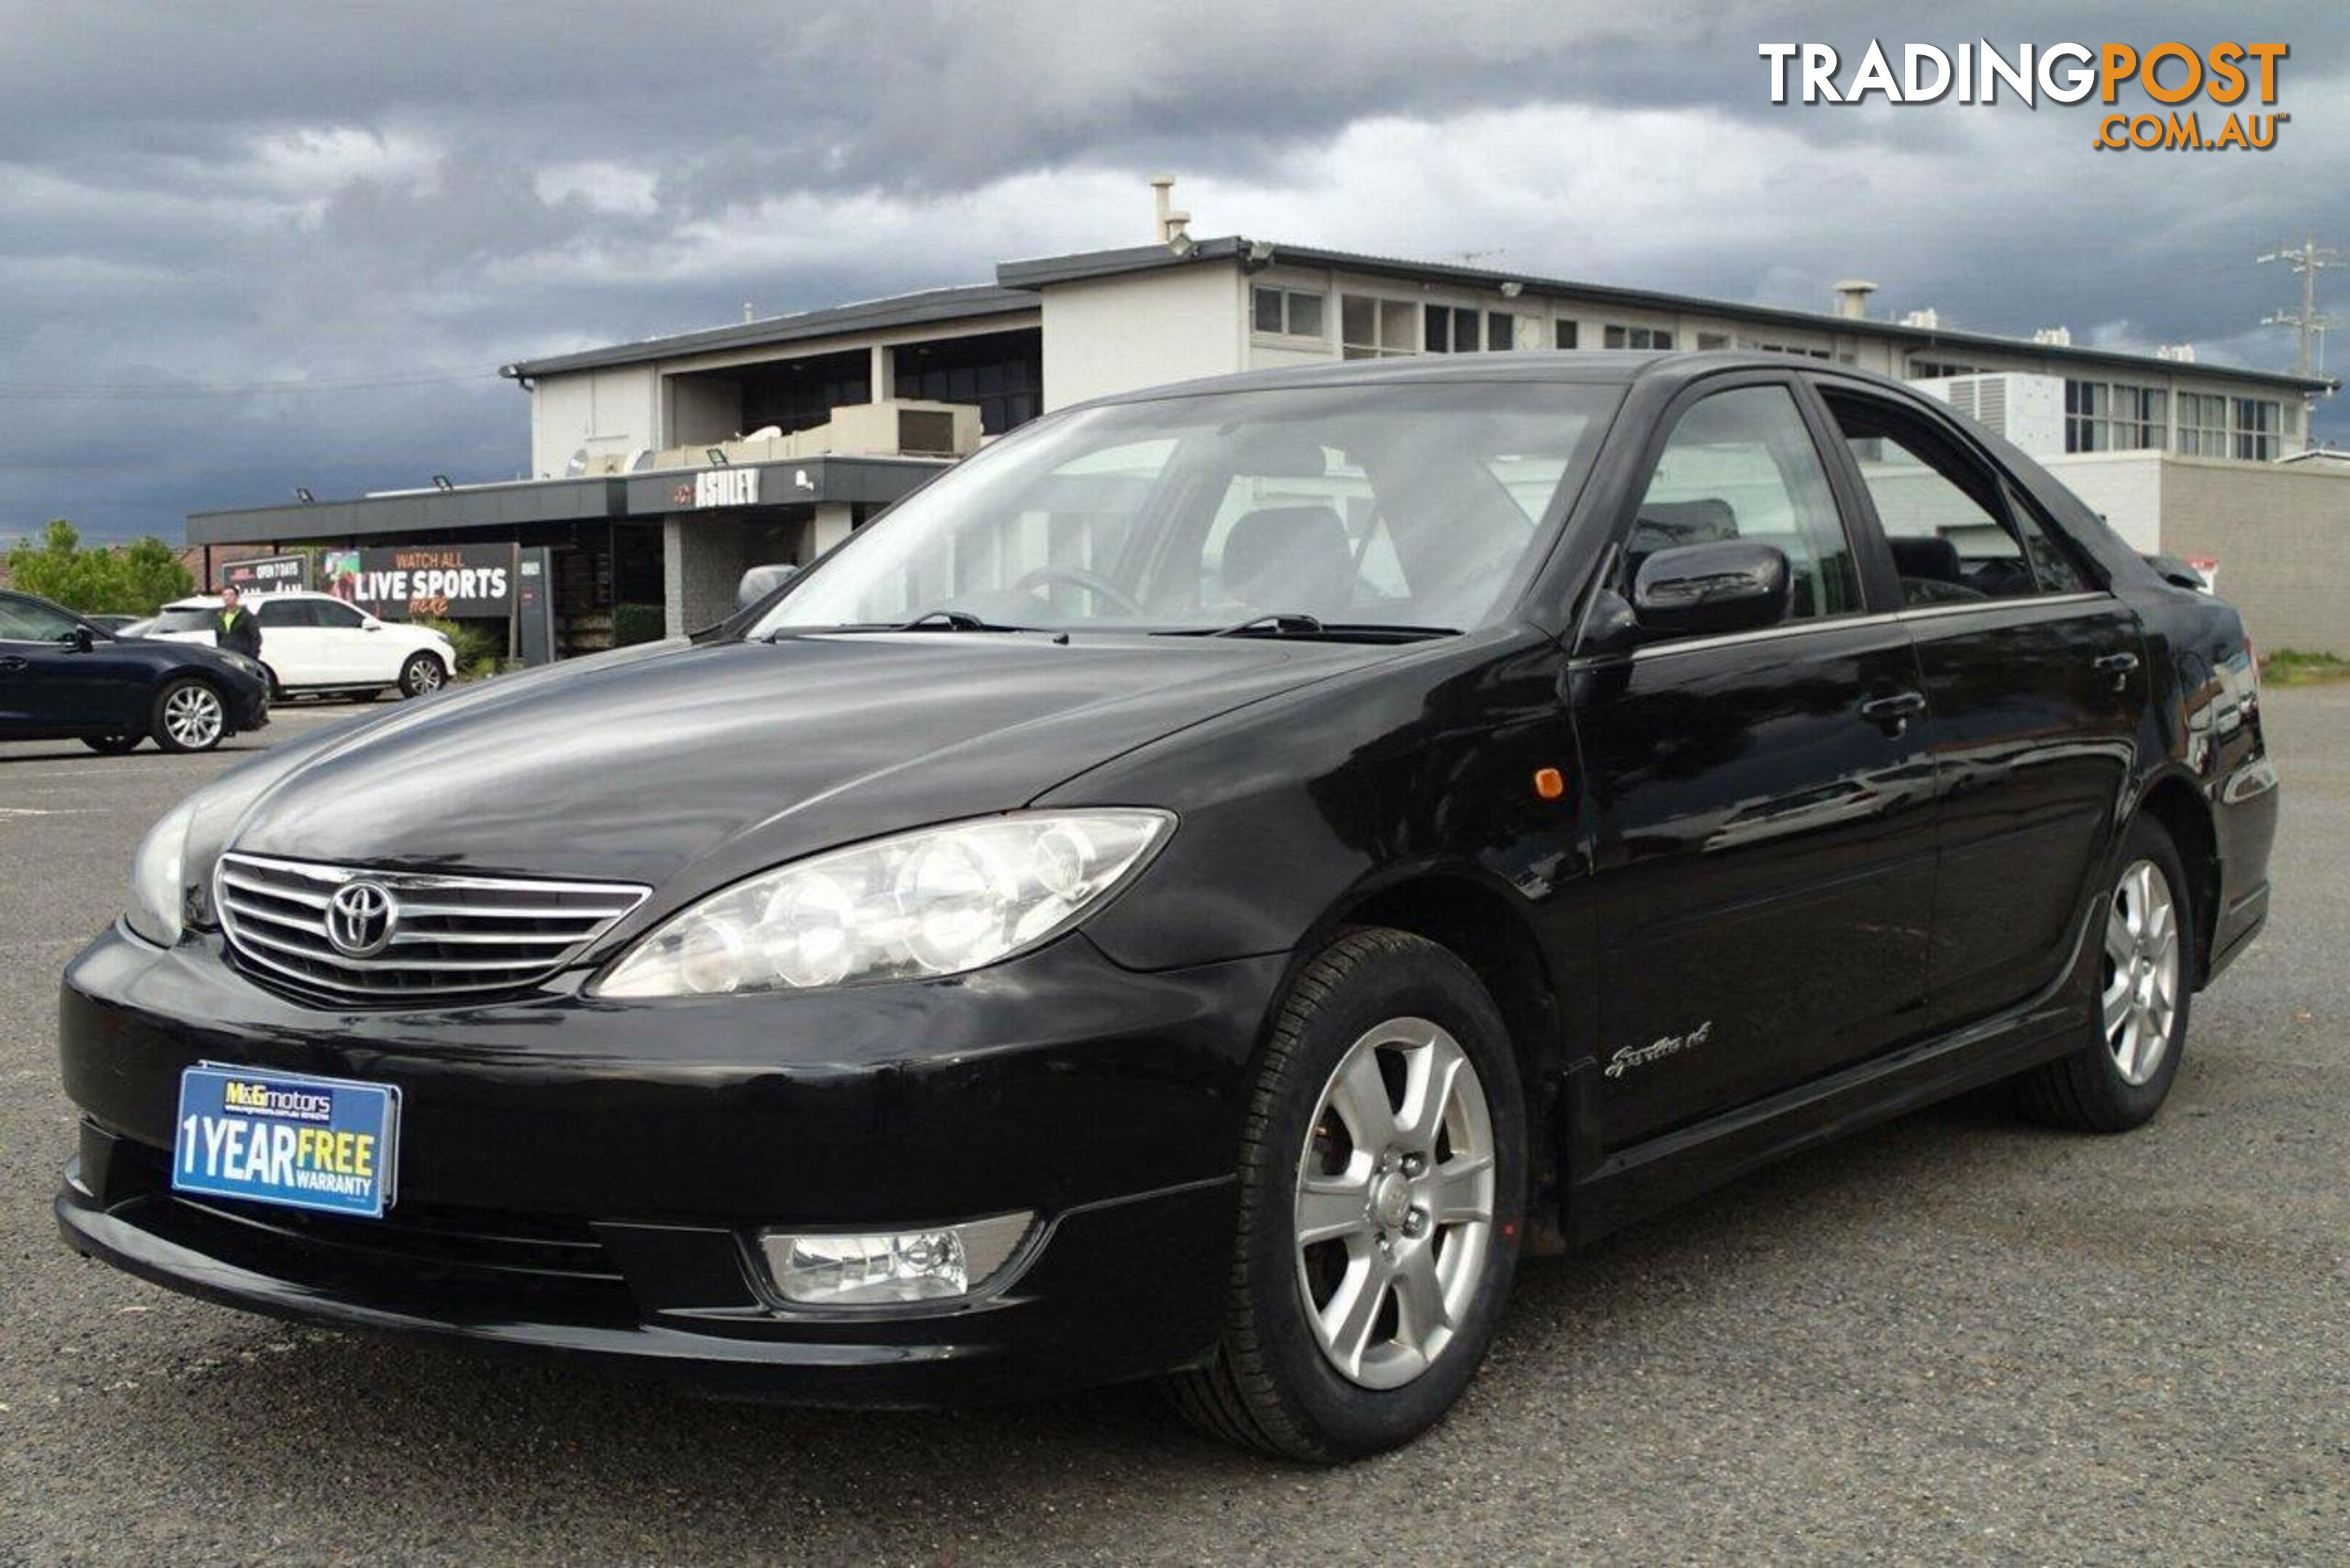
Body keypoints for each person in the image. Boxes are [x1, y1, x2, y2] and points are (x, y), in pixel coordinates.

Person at [215, 584, 263, 660]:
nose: (227, 598)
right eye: (224, 595)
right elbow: (219, 638)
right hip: (226, 657)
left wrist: (252, 657)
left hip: (243, 658)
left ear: (237, 597)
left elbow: (256, 638)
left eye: (231, 595)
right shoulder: (220, 616)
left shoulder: (246, 616)